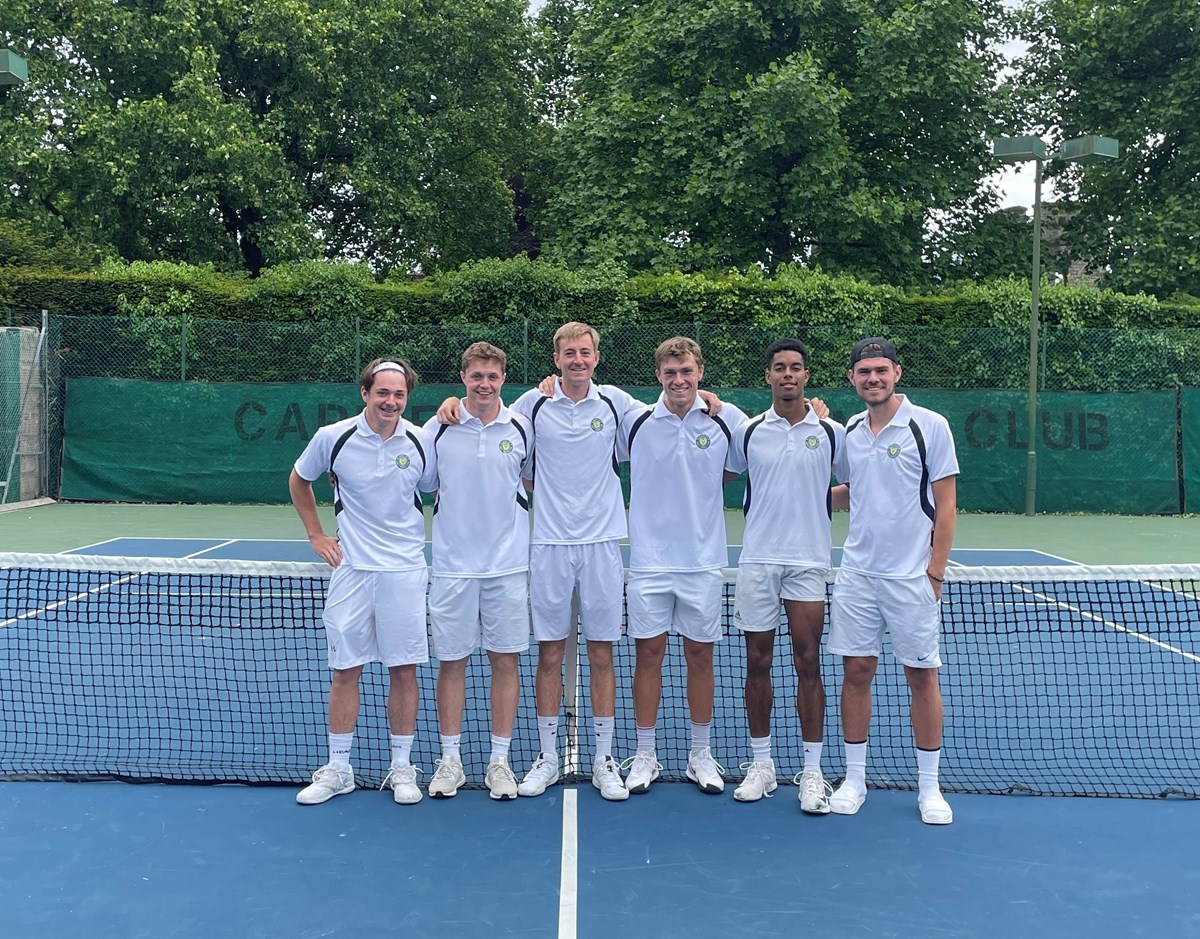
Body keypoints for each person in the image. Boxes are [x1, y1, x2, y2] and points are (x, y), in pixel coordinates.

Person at [289, 357, 436, 806]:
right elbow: (299, 480)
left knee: (403, 671)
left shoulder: (421, 440)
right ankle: (338, 769)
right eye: (383, 393)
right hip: (351, 572)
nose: (391, 401)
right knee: (344, 672)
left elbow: (434, 490)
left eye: (399, 394)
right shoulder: (332, 438)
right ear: (365, 393)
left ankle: (401, 768)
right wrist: (316, 534)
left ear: (406, 396)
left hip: (404, 572)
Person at [827, 337, 959, 825]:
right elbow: (850, 492)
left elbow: (946, 505)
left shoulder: (930, 426)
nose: (873, 379)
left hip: (911, 578)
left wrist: (935, 571)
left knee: (921, 676)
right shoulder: (851, 431)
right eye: (864, 372)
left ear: (897, 373)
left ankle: (930, 788)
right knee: (856, 673)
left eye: (881, 370)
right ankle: (855, 780)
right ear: (852, 379)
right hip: (858, 576)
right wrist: (794, 496)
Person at [619, 336, 750, 795]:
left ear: (700, 372)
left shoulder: (727, 418)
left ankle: (700, 755)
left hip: (702, 562)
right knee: (648, 656)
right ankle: (645, 755)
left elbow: (737, 465)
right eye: (670, 373)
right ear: (658, 376)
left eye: (687, 372)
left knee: (700, 656)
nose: (679, 380)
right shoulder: (634, 421)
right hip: (649, 563)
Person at [725, 338, 847, 811]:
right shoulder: (750, 432)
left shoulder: (833, 431)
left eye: (796, 367)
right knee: (757, 660)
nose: (788, 375)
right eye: (780, 368)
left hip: (809, 561)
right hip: (757, 560)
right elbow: (721, 475)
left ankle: (813, 772)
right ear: (769, 377)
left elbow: (857, 484)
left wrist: (818, 499)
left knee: (808, 660)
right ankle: (762, 764)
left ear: (806, 375)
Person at [420, 342, 534, 801]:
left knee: (505, 661)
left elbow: (530, 481)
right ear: (463, 377)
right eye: (476, 377)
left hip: (508, 567)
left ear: (503, 379)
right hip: (452, 568)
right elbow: (423, 484)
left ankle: (499, 762)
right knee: (452, 662)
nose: (484, 385)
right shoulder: (437, 427)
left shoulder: (522, 427)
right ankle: (450, 760)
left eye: (492, 377)